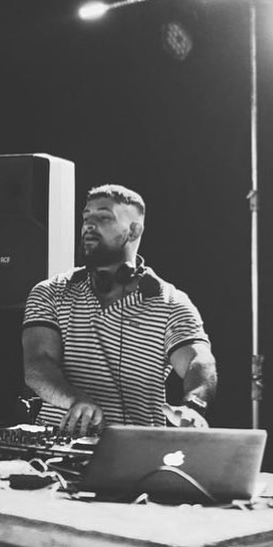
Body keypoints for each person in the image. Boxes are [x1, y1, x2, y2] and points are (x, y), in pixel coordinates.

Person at [22, 184, 217, 436]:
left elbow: (198, 361)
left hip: (133, 450)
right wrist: (75, 399)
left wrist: (194, 405)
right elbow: (38, 364)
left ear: (134, 230)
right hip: (56, 446)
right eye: (86, 217)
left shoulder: (171, 303)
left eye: (104, 217)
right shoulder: (51, 292)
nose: (89, 225)